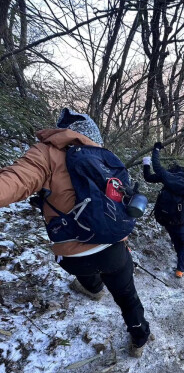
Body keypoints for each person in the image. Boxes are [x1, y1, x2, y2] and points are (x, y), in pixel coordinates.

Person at [0, 108, 151, 358]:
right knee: (127, 297)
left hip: (72, 254)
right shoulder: (106, 158)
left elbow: (14, 181)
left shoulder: (46, 153)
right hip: (114, 247)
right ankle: (140, 339)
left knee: (83, 267)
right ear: (92, 134)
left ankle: (93, 289)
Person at [143, 143, 184, 278]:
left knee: (176, 238)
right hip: (181, 222)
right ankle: (180, 270)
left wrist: (149, 159)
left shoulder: (171, 175)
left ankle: (180, 259)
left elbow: (150, 176)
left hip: (164, 218)